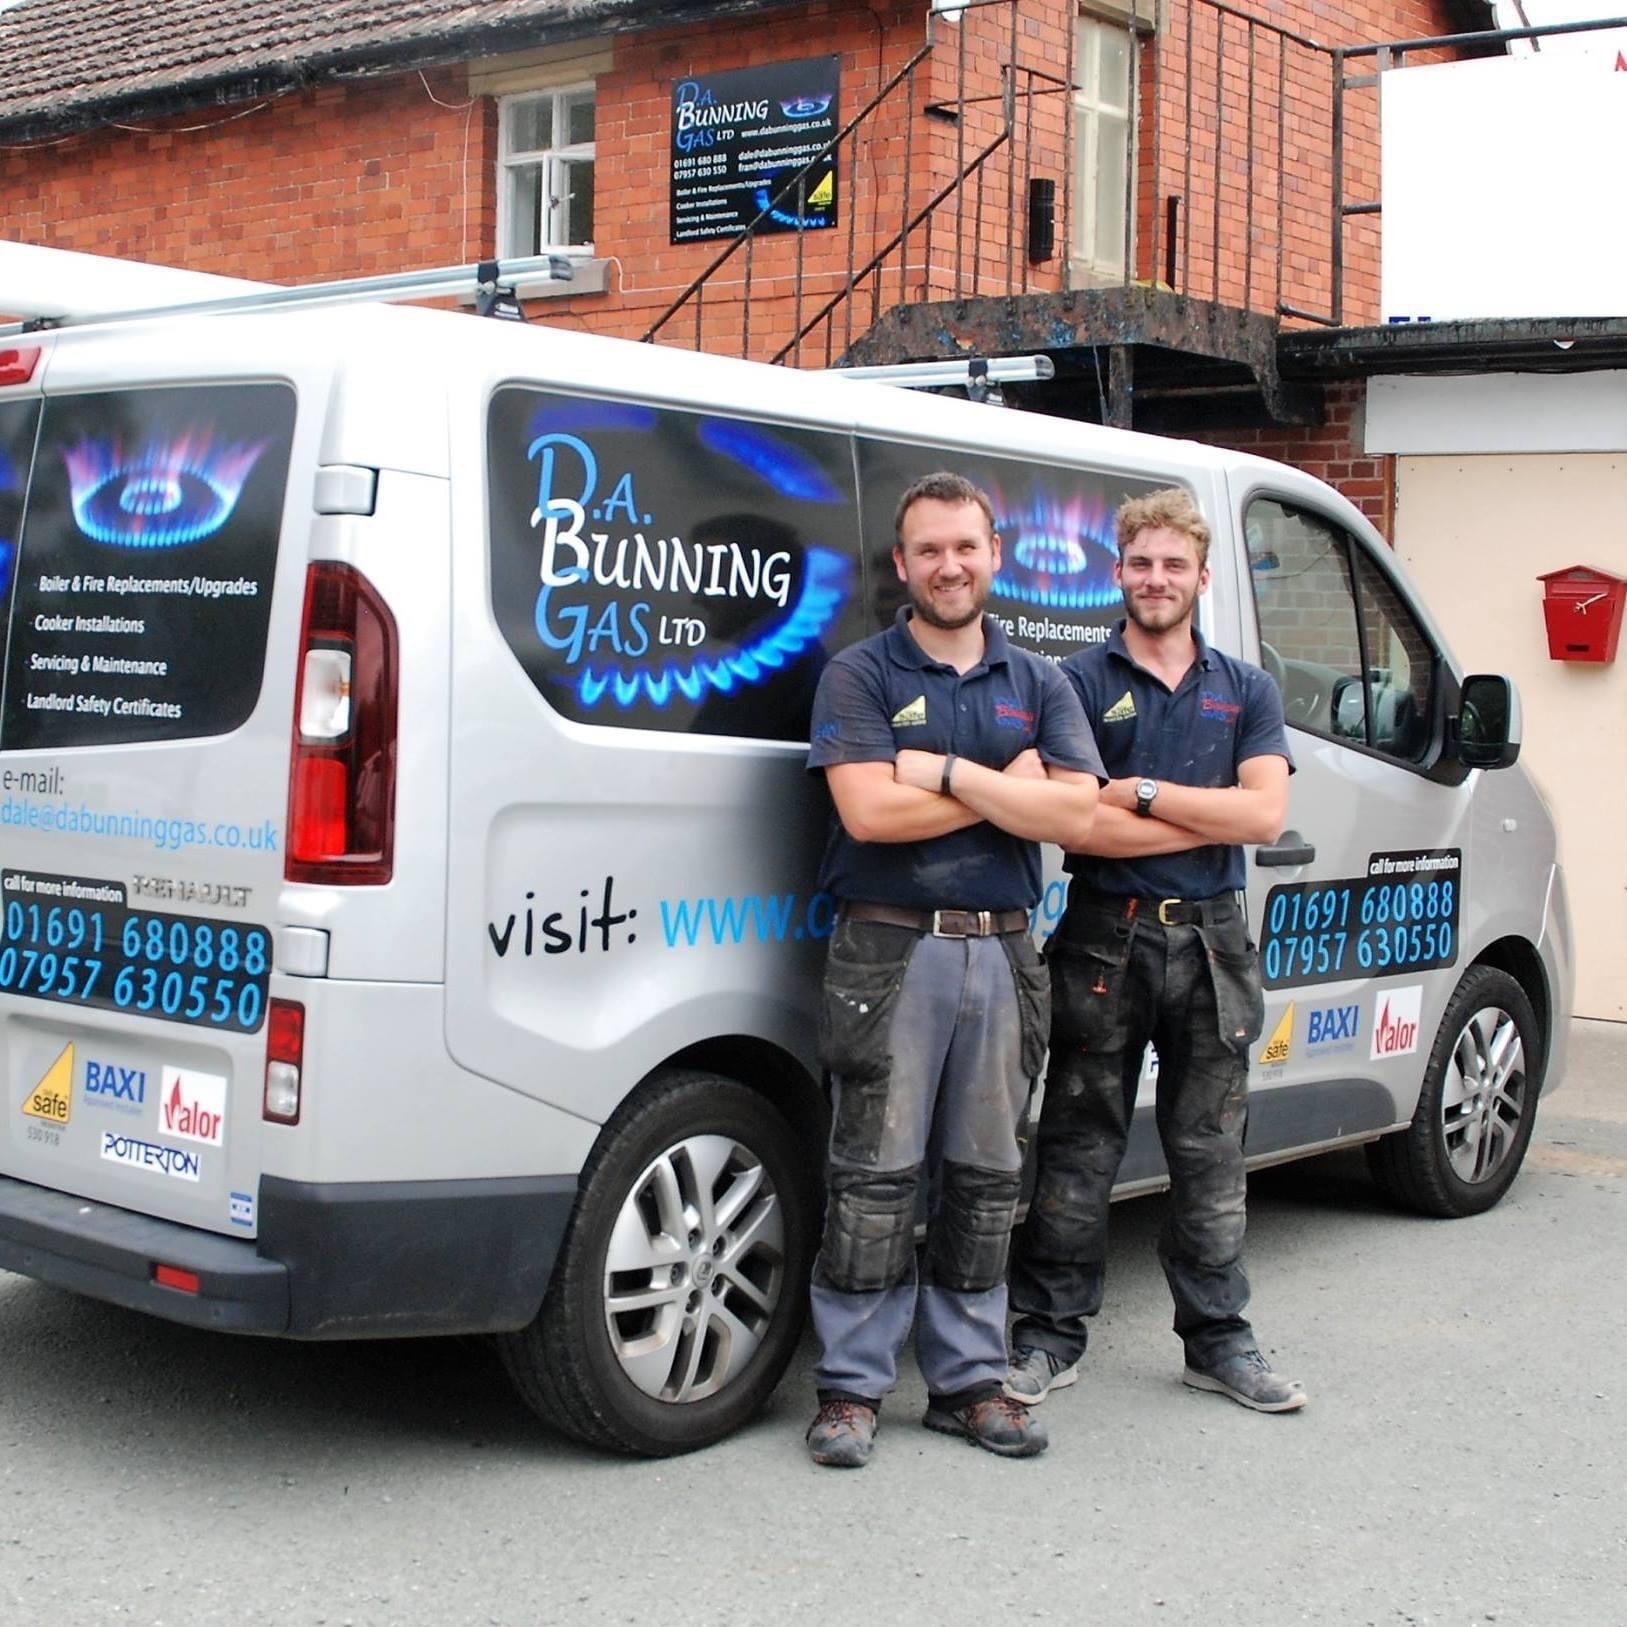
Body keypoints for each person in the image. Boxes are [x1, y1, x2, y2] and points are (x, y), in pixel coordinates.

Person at [802, 471, 1105, 1468]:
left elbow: (1078, 816)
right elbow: (868, 814)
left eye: (965, 546)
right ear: (903, 564)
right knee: (873, 1173)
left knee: (985, 1176)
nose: (949, 565)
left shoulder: (1039, 682)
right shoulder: (860, 674)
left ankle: (968, 1382)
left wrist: (940, 771)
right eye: (928, 549)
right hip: (889, 948)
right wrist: (1004, 790)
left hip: (1006, 948)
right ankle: (851, 1388)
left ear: (994, 556)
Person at [1005, 486, 1307, 1415]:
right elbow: (1072, 828)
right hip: (1104, 932)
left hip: (1212, 939)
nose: (1156, 578)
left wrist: (1136, 794)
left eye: (1173, 564)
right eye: (1140, 562)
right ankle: (1048, 1334)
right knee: (1075, 1142)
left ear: (1202, 577)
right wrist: (1182, 813)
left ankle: (1218, 1342)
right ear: (1118, 571)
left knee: (1210, 1148)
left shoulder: (1244, 687)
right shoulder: (1073, 683)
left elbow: (1261, 814)